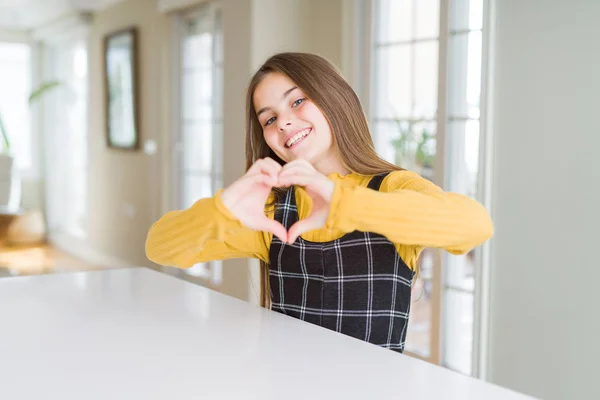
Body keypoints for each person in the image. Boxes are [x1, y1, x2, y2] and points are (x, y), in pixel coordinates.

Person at [145, 52, 493, 353]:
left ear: (334, 98)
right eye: (269, 118)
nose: (283, 121)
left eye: (297, 101)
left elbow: (475, 226)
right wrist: (221, 210)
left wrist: (346, 205)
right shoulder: (272, 212)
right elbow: (160, 248)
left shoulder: (392, 188)